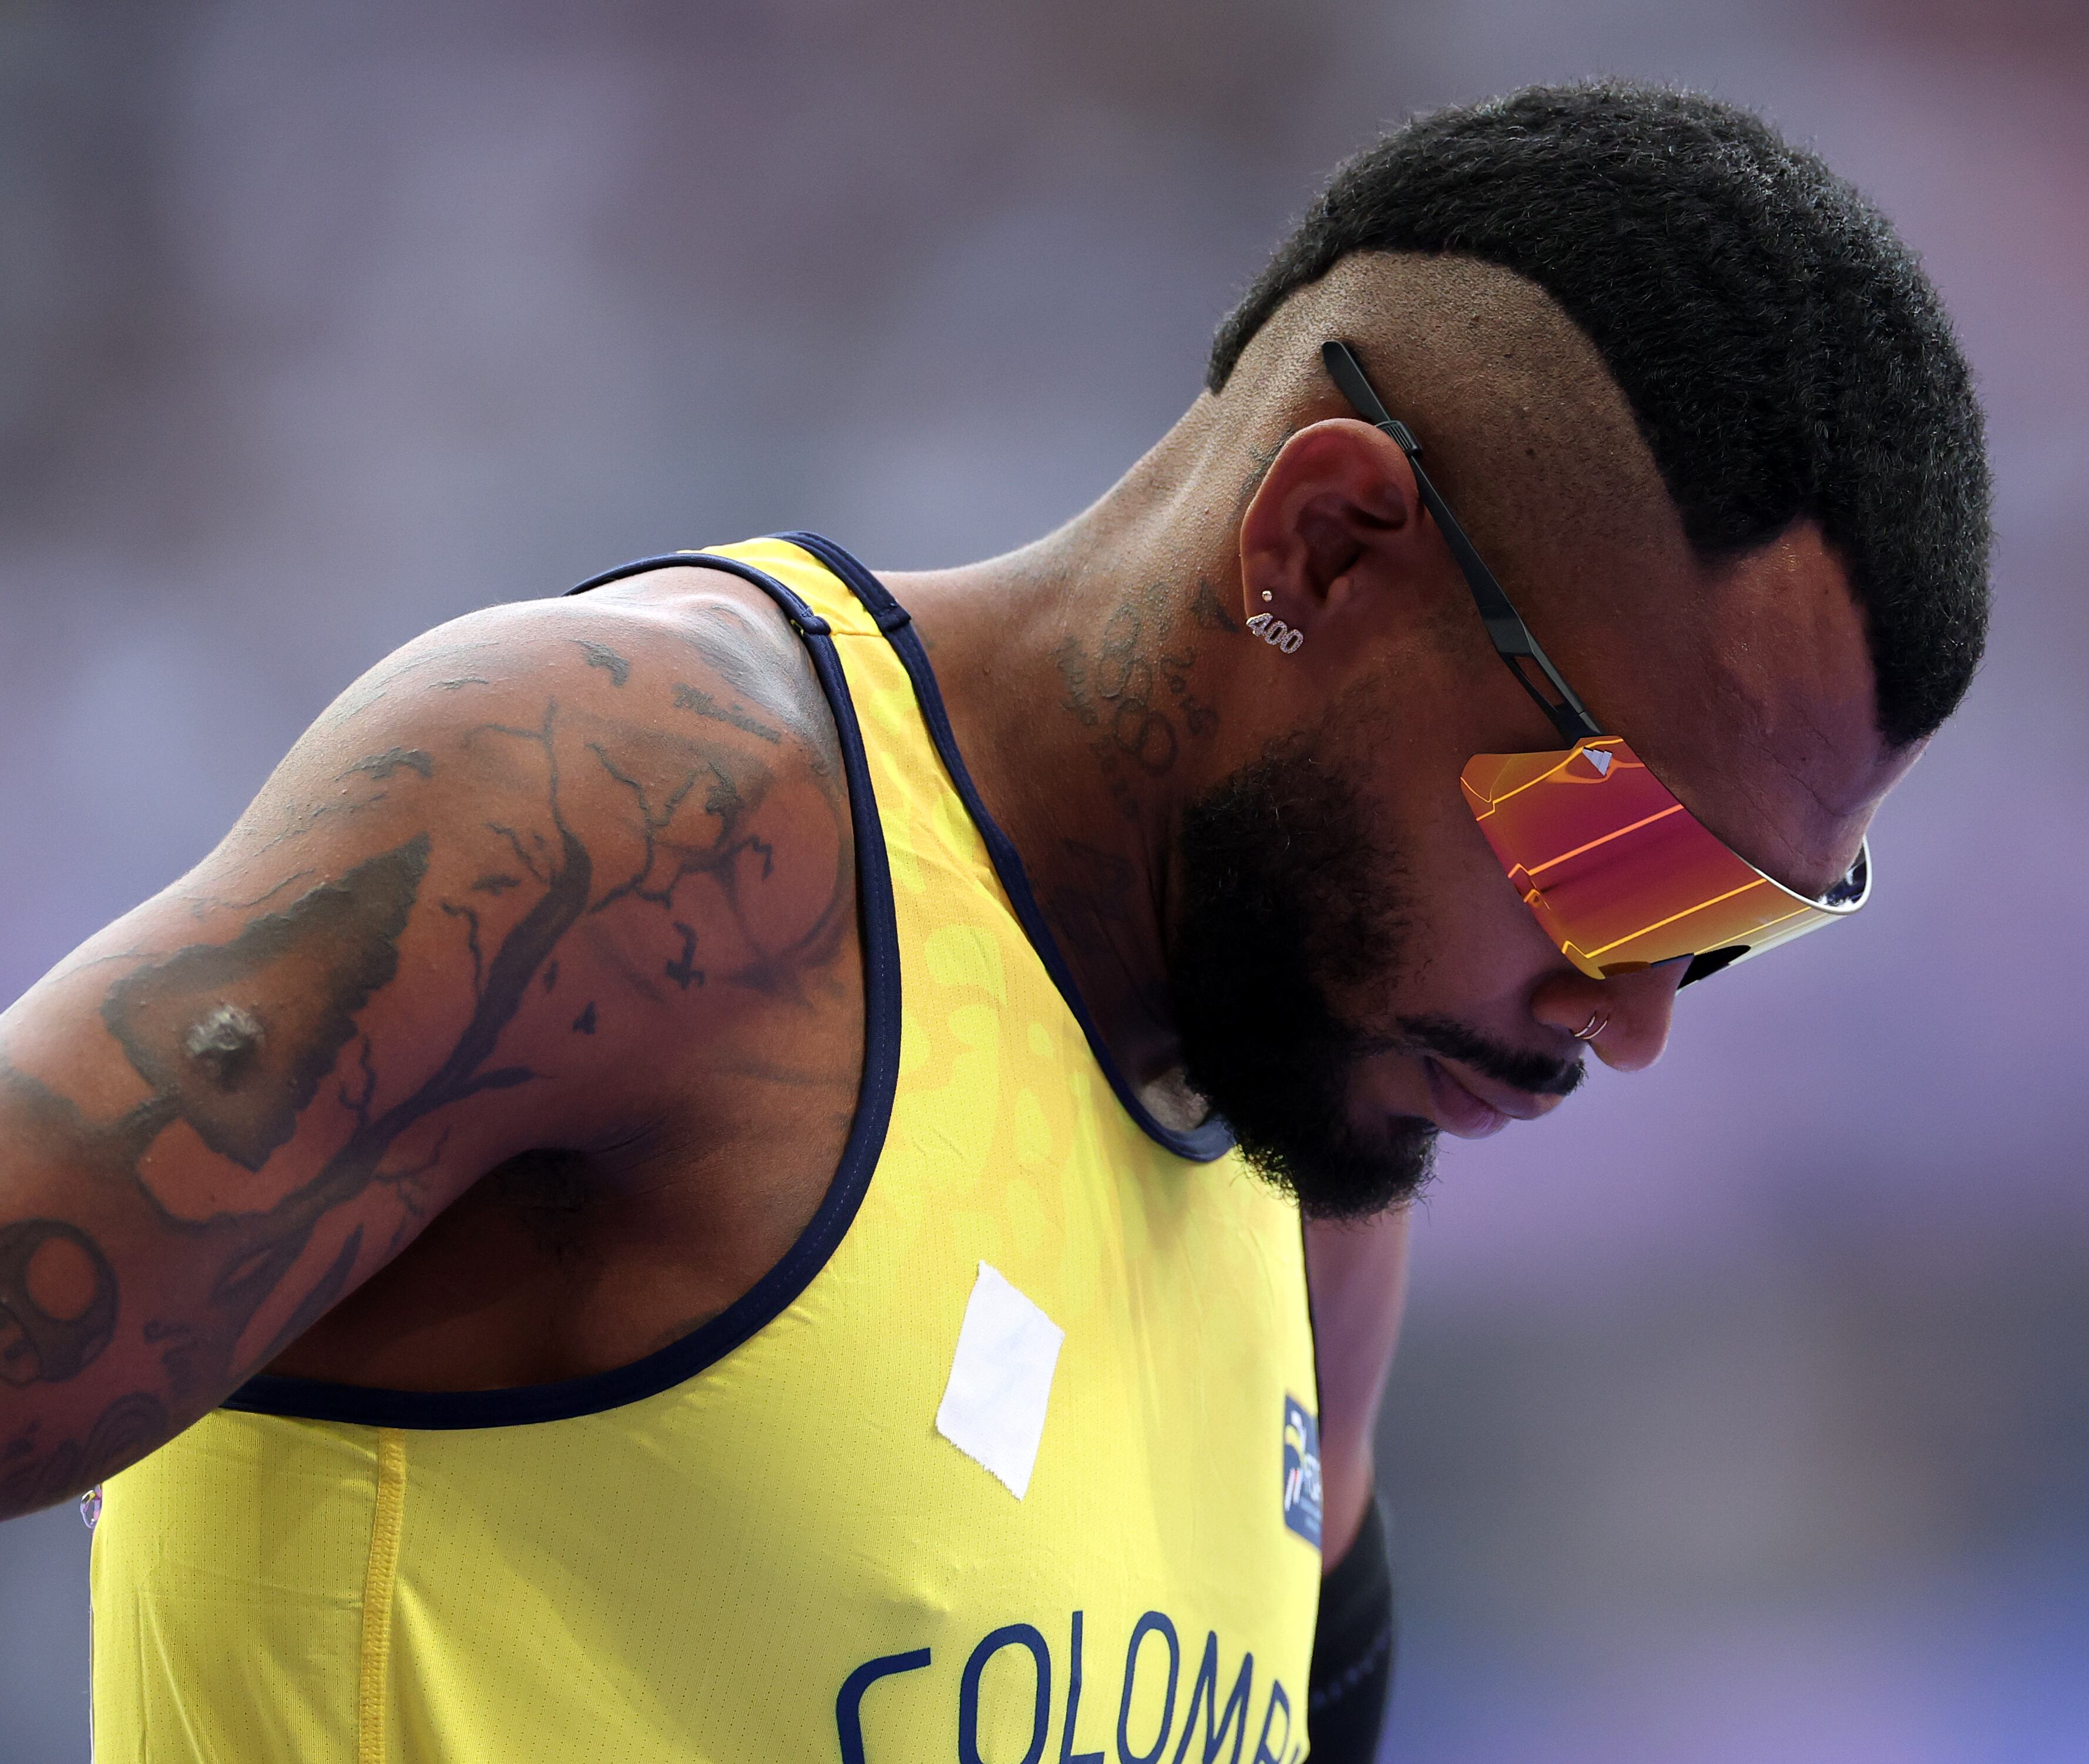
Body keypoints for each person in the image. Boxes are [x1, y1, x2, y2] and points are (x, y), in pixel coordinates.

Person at [0, 80, 1988, 1763]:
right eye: (1624, 855)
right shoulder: (645, 830)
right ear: (1321, 544)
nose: (1634, 1014)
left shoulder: (1311, 1154)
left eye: (1743, 918)